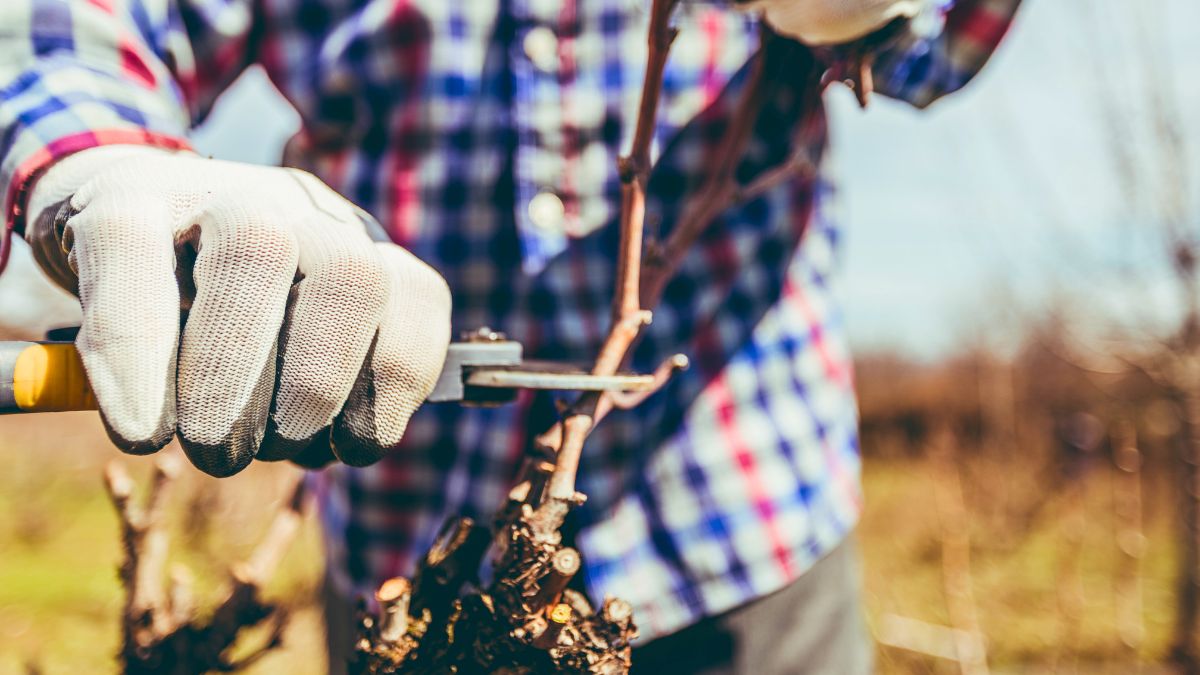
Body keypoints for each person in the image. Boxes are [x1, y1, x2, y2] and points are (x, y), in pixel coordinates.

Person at [0, 0, 1022, 671]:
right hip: (405, 555)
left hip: (746, 529)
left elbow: (945, 44)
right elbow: (83, 28)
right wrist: (98, 163)